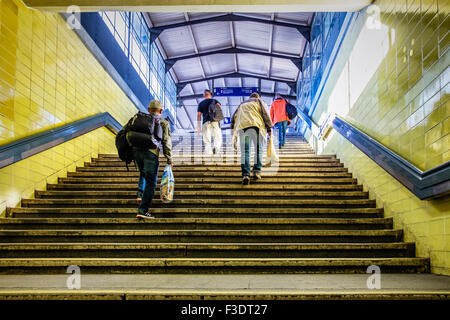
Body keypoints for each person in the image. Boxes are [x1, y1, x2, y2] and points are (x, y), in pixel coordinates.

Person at [125, 100, 173, 219]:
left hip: (136, 152)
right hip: (151, 154)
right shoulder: (163, 122)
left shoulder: (137, 118)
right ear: (161, 111)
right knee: (151, 183)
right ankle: (143, 210)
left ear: (148, 109)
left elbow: (124, 132)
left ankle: (140, 195)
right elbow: (166, 141)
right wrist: (169, 159)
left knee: (143, 173)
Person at [231, 93, 273, 185]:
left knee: (245, 152)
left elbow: (233, 118)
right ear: (257, 97)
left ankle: (245, 175)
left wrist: (233, 132)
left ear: (250, 98)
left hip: (243, 127)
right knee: (259, 150)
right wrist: (269, 128)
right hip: (256, 126)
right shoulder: (259, 101)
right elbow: (265, 114)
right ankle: (257, 171)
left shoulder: (242, 104)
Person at [197, 89, 223, 155]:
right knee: (217, 137)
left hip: (206, 122)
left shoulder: (201, 103)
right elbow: (220, 109)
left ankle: (208, 153)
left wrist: (198, 127)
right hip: (215, 121)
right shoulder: (215, 101)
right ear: (210, 95)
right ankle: (216, 147)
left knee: (207, 140)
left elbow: (199, 115)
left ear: (204, 95)